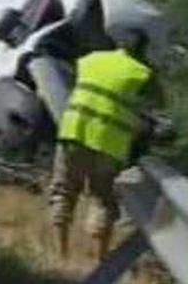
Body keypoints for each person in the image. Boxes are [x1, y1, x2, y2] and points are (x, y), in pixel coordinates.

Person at [48, 29, 163, 262]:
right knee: (102, 199)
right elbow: (158, 102)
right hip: (109, 145)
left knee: (63, 191)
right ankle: (99, 260)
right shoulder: (143, 72)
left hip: (74, 134)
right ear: (142, 51)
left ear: (118, 44)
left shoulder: (91, 59)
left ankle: (60, 254)